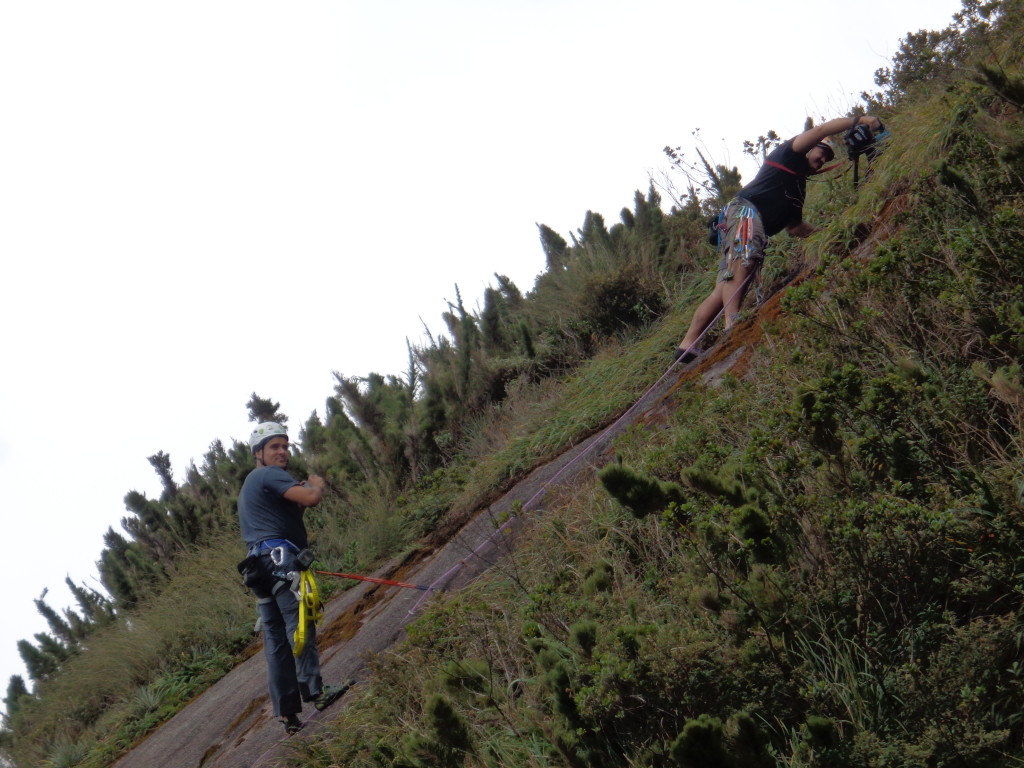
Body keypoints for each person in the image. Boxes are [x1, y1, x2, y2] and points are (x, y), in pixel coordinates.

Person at [674, 114, 884, 362]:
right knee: (744, 258)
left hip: (738, 220)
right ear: (809, 149)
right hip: (744, 212)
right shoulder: (787, 155)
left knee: (726, 284)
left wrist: (829, 235)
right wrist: (860, 120)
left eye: (828, 157)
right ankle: (733, 324)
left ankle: (687, 345)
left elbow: (795, 227)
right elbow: (823, 129)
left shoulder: (797, 187)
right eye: (822, 153)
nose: (823, 159)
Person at [237, 421, 345, 734]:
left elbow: (293, 514)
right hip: (279, 559)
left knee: (276, 641)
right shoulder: (268, 474)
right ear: (259, 453)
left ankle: (288, 714)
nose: (282, 452)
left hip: (258, 567)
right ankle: (316, 692)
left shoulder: (251, 484)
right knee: (299, 622)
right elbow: (311, 499)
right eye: (275, 446)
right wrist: (315, 484)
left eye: (285, 446)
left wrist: (300, 495)